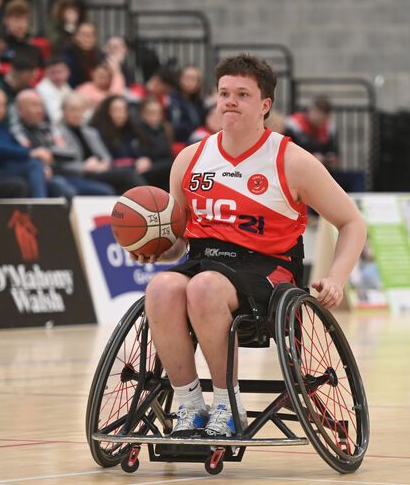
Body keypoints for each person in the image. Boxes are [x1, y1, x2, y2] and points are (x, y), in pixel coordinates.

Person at [136, 54, 367, 438]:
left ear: (265, 105)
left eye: (242, 94)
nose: (230, 101)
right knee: (161, 288)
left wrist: (337, 278)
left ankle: (227, 405)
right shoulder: (190, 159)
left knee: (204, 287)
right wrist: (155, 248)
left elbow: (352, 222)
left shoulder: (292, 160)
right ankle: (190, 405)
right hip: (203, 259)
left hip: (267, 268)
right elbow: (179, 245)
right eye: (224, 92)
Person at [10, 89, 114, 199]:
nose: (40, 110)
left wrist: (47, 151)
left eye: (41, 106)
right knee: (64, 188)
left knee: (108, 188)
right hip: (54, 175)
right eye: (35, 106)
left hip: (61, 173)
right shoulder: (17, 132)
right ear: (21, 110)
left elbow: (70, 152)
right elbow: (28, 155)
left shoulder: (48, 129)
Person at [51, 93, 145, 194]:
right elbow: (60, 163)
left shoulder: (91, 132)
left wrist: (102, 164)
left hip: (99, 171)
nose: (77, 113)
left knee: (127, 179)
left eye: (80, 110)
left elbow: (106, 157)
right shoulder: (57, 132)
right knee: (127, 175)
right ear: (64, 110)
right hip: (79, 175)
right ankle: (150, 202)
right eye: (73, 109)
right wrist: (85, 167)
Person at [0, 88, 52, 198]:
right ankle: (41, 209)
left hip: (6, 168)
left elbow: (13, 148)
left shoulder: (1, 124)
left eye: (1, 105)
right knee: (34, 165)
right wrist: (29, 153)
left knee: (52, 181)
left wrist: (43, 167)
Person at [134, 96, 175, 191]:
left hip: (163, 168)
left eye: (157, 112)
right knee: (172, 166)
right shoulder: (136, 130)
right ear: (142, 113)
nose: (154, 116)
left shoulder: (165, 129)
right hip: (147, 169)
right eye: (150, 112)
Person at [1, 0, 43, 67]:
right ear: (6, 20)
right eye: (16, 20)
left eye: (24, 21)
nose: (20, 25)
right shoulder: (0, 48)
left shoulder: (35, 51)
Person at [169, 65, 206, 143]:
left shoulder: (198, 102)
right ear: (180, 79)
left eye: (195, 79)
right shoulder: (172, 99)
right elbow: (176, 126)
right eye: (188, 78)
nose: (190, 82)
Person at [34, 56, 74, 126]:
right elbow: (55, 117)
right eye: (52, 73)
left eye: (60, 72)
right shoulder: (43, 89)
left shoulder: (65, 86)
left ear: (68, 72)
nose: (57, 76)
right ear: (46, 73)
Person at [62, 21, 102, 88]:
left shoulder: (100, 55)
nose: (88, 38)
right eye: (84, 34)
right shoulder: (67, 56)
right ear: (75, 37)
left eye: (92, 34)